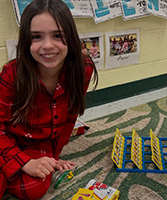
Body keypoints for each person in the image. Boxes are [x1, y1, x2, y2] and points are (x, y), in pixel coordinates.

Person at [0, 0, 98, 199]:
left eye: (58, 36)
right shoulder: (11, 73)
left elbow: (70, 117)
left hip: (39, 144)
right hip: (8, 139)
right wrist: (23, 162)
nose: (47, 46)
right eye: (36, 37)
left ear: (70, 37)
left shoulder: (83, 68)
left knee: (34, 188)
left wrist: (53, 157)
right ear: (26, 41)